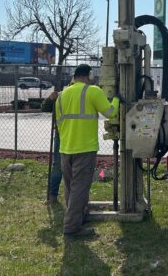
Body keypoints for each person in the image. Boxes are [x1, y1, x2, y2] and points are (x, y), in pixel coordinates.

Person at [55, 64, 119, 237]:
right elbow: (111, 112)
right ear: (88, 75)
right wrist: (118, 98)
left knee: (70, 187)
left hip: (65, 148)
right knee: (80, 189)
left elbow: (59, 124)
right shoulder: (93, 91)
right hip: (85, 148)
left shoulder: (62, 95)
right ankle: (72, 227)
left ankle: (78, 217)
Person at [42, 90, 62, 204]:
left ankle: (76, 197)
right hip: (61, 135)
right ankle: (52, 195)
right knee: (57, 166)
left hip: (76, 136)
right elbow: (44, 108)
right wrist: (50, 99)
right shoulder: (60, 95)